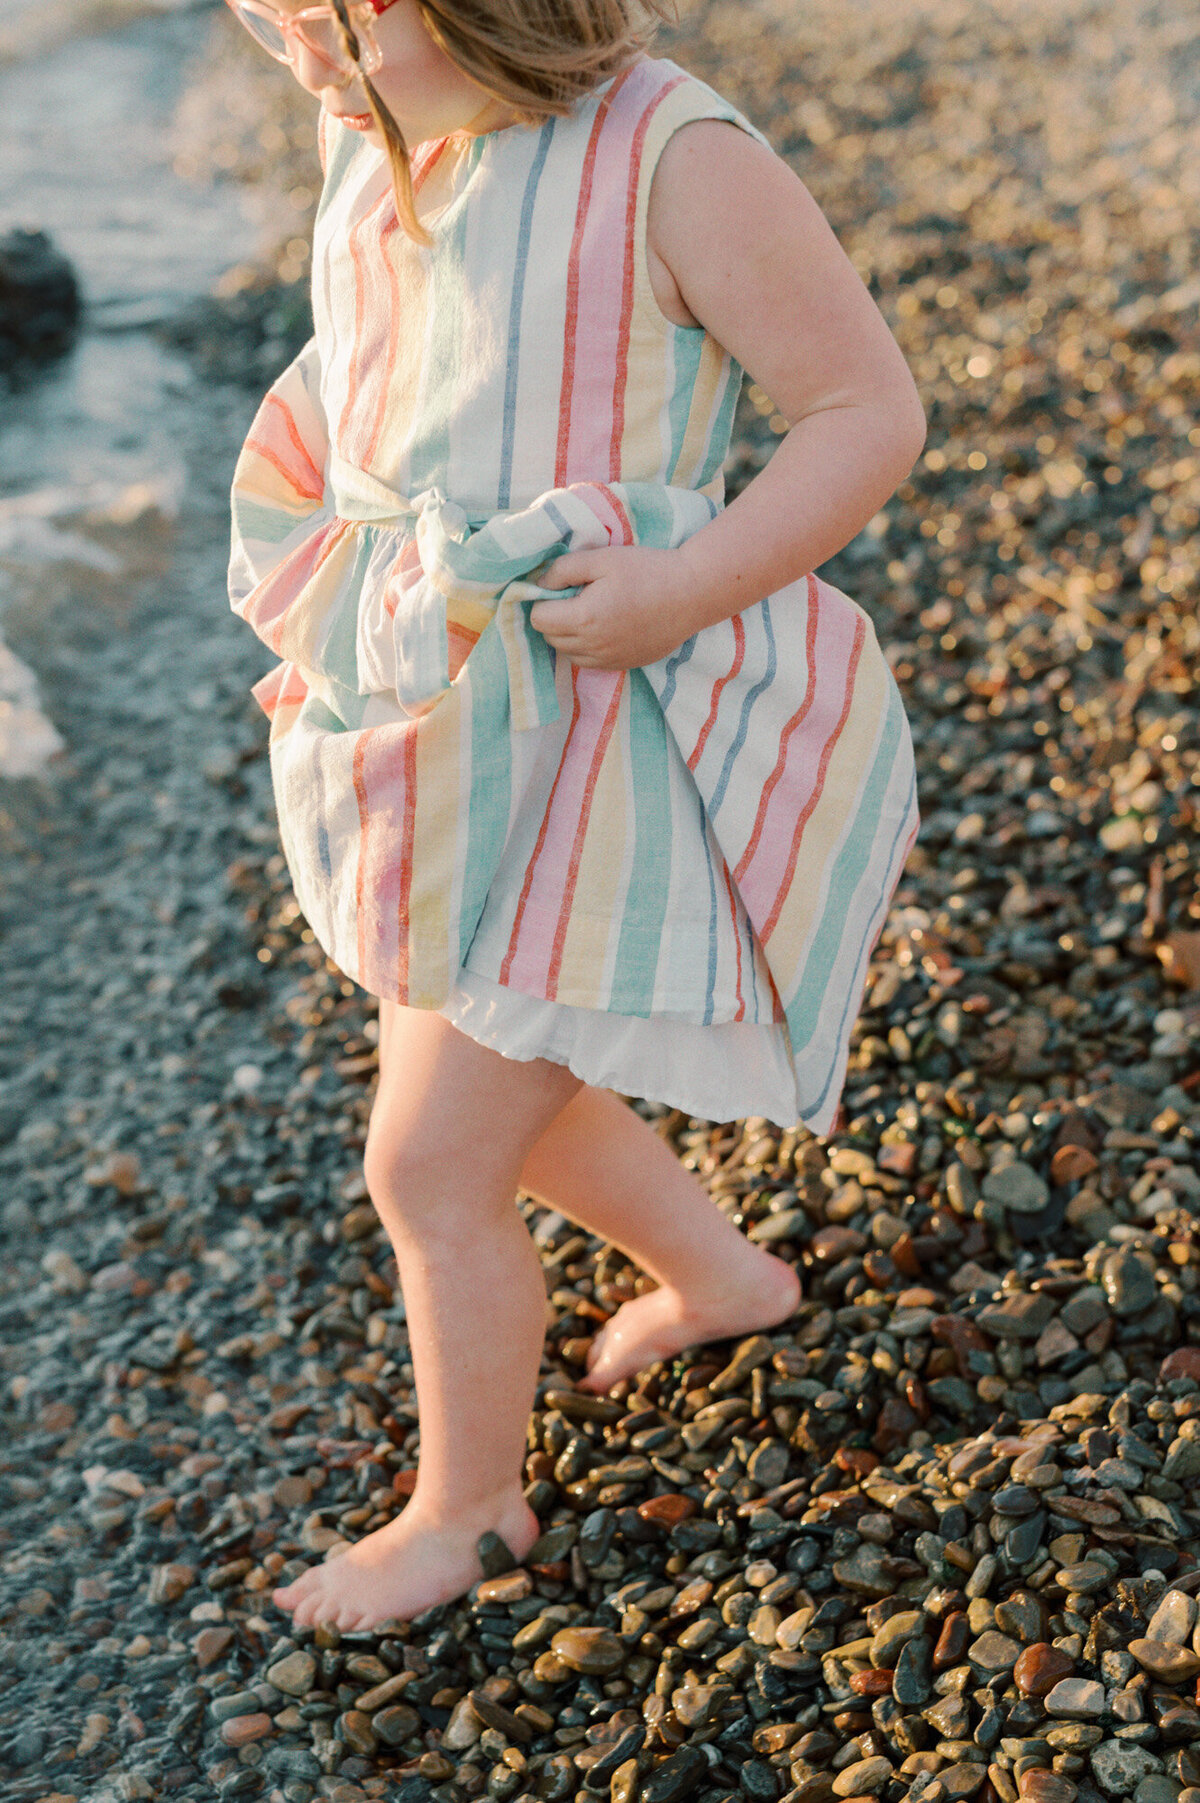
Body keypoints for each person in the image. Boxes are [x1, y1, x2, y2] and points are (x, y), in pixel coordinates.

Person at [226, 0, 925, 1629]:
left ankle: (470, 1511)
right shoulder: (384, 128)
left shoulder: (672, 156)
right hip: (446, 721)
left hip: (606, 726)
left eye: (320, 20)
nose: (297, 60)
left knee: (427, 1164)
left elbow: (866, 413)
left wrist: (686, 584)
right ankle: (725, 1279)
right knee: (491, 1072)